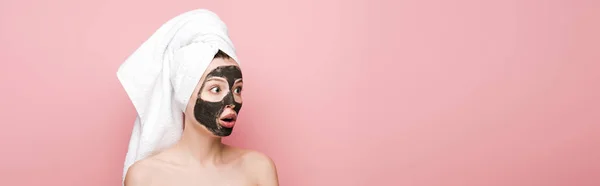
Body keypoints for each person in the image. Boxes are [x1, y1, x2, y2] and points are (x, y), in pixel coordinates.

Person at [116, 9, 278, 186]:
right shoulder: (144, 177)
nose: (231, 102)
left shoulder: (259, 169)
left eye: (237, 89)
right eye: (216, 89)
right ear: (184, 95)